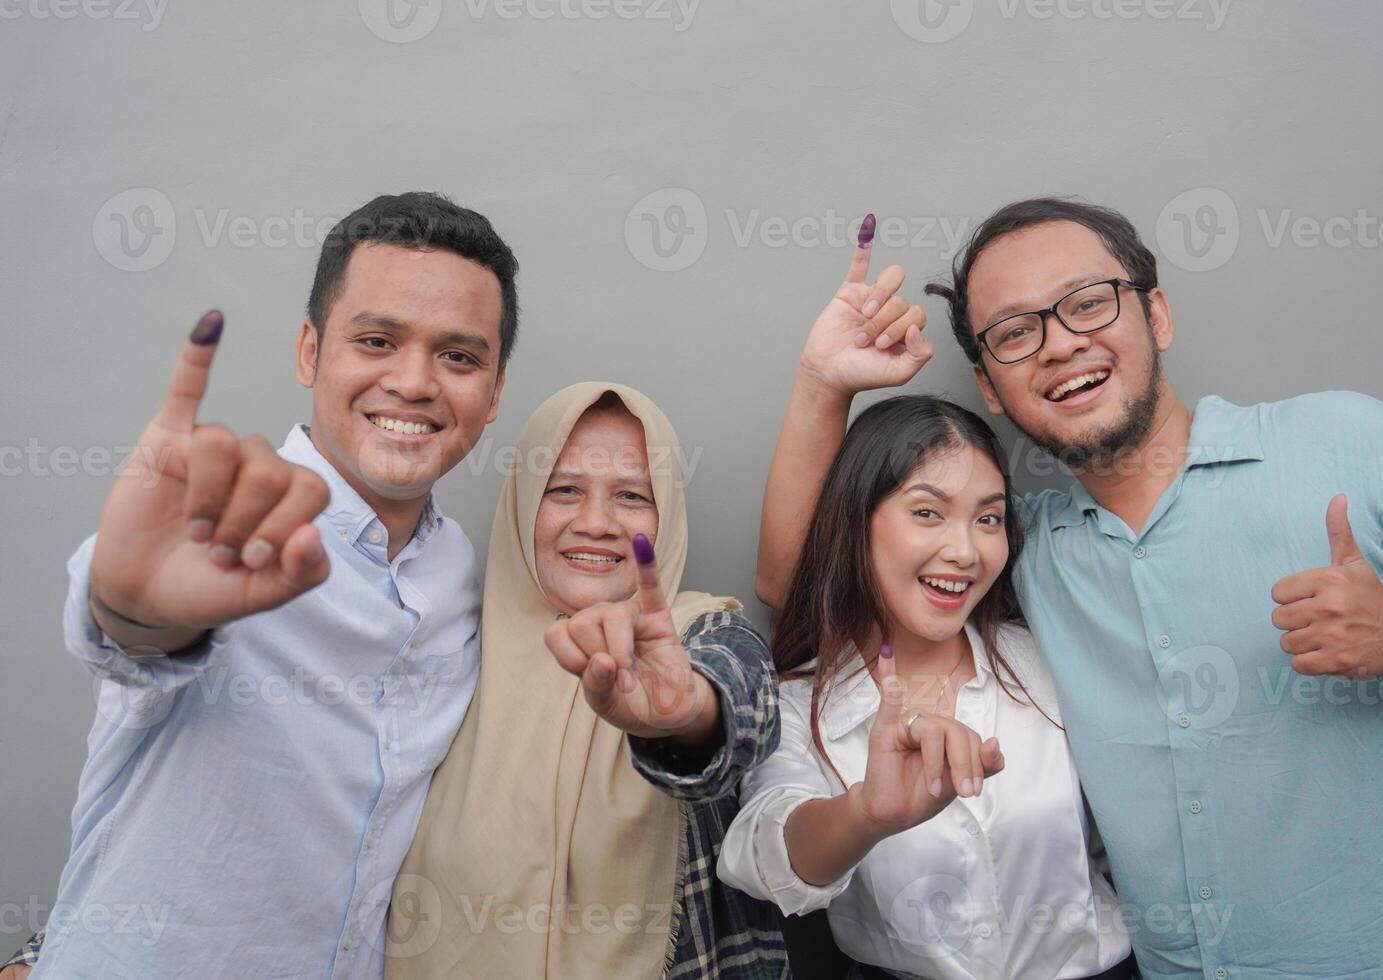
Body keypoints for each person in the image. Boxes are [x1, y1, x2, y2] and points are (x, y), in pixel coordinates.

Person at [756, 203, 1383, 978]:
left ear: (1156, 314)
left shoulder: (1356, 445)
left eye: (1089, 302)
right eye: (1016, 332)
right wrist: (824, 384)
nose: (1060, 343)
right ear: (991, 386)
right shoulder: (1015, 549)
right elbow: (809, 578)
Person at [21, 192, 519, 979]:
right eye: (378, 340)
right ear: (309, 352)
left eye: (459, 357)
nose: (416, 381)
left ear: (493, 394)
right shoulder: (228, 532)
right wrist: (132, 612)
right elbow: (131, 630)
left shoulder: (459, 573)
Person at [718, 391, 1135, 979]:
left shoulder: (1050, 660)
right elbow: (763, 852)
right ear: (854, 523)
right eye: (927, 512)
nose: (965, 551)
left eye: (988, 518)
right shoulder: (796, 705)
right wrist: (864, 815)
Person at [388, 383, 789, 979]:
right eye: (565, 490)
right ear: (524, 504)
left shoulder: (702, 630)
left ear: (666, 515)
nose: (596, 522)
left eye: (631, 495)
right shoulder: (442, 653)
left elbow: (742, 702)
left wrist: (682, 716)